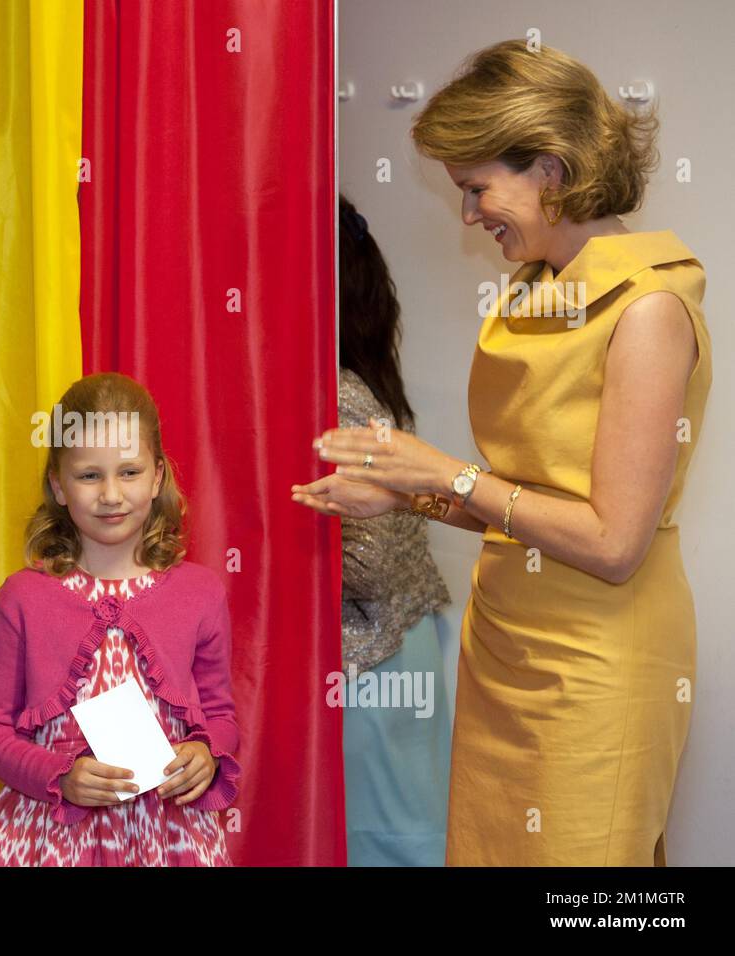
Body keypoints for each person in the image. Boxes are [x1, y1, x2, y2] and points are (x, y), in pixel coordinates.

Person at [300, 40, 711, 865]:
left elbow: (611, 542)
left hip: (596, 666)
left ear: (552, 171)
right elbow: (522, 503)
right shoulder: (535, 291)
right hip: (506, 650)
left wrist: (445, 471)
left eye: (477, 189)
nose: (469, 216)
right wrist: (405, 493)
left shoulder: (647, 311)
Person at [0, 372, 240, 866]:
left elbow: (220, 715)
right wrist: (58, 774)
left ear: (158, 476)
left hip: (167, 837)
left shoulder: (200, 593)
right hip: (49, 838)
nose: (111, 494)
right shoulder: (22, 598)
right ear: (59, 485)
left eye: (129, 472)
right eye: (90, 475)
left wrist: (208, 753)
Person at [294, 195, 453, 865]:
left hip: (371, 663)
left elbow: (369, 565)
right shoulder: (361, 382)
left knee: (381, 846)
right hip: (398, 652)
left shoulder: (334, 394)